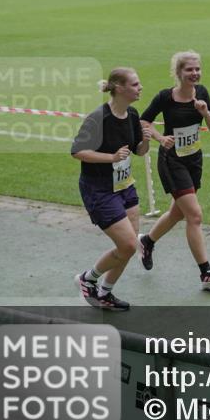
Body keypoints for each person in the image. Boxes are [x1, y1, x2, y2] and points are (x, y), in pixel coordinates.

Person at [139, 51, 210, 289]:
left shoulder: (202, 93)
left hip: (194, 159)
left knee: (177, 213)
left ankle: (147, 241)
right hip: (172, 161)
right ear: (178, 72)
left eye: (197, 69)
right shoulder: (165, 97)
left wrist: (205, 112)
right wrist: (160, 138)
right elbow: (144, 121)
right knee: (194, 215)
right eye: (189, 69)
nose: (195, 73)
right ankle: (206, 271)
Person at [72, 68, 150, 310]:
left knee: (129, 247)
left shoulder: (132, 114)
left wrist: (146, 140)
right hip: (99, 189)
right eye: (135, 84)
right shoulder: (98, 118)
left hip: (125, 185)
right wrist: (111, 158)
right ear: (119, 88)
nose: (140, 88)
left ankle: (105, 293)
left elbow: (138, 151)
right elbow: (77, 151)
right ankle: (88, 279)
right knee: (128, 245)